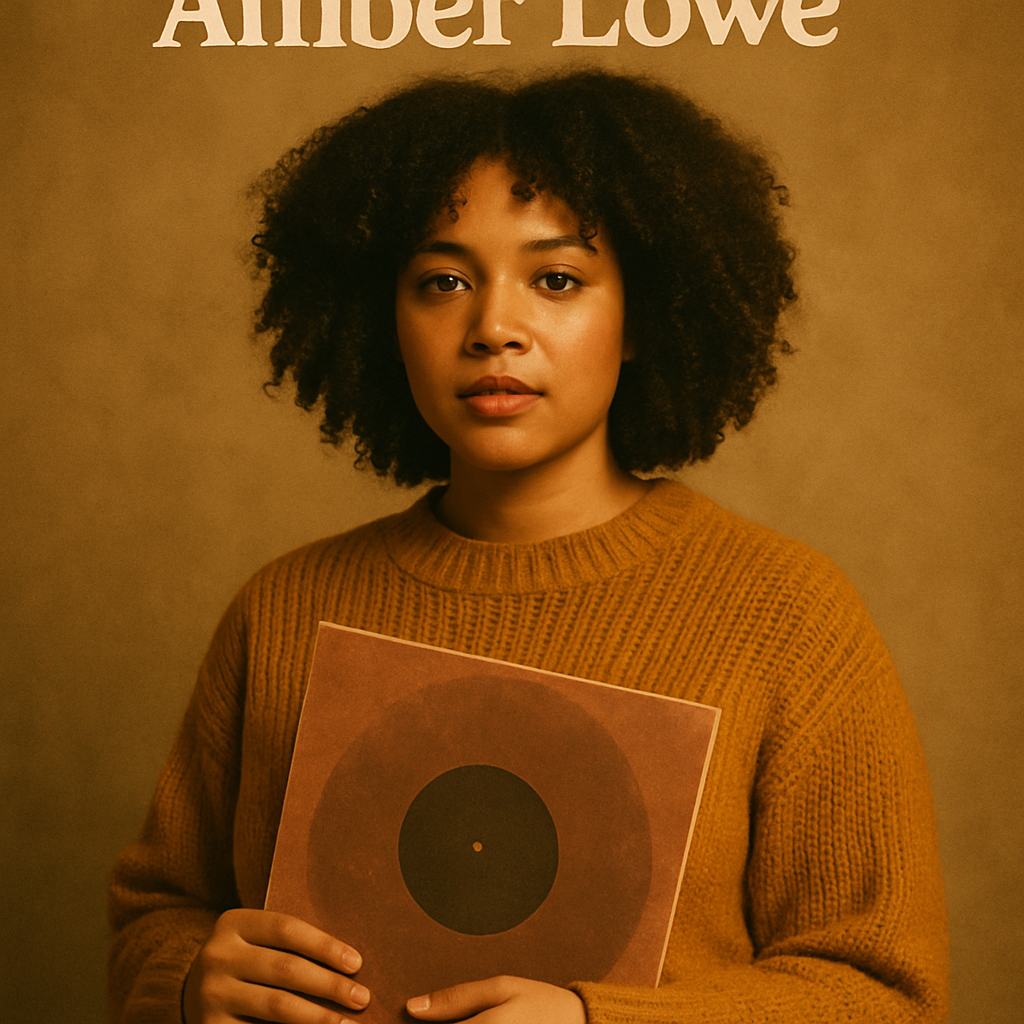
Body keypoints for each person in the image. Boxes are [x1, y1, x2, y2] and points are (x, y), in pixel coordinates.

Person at [108, 70, 948, 1024]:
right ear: (384, 318)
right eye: (443, 282)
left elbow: (887, 993)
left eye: (557, 279)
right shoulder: (285, 608)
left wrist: (601, 1021)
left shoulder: (787, 614)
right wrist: (185, 982)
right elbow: (159, 910)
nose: (494, 329)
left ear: (641, 318)